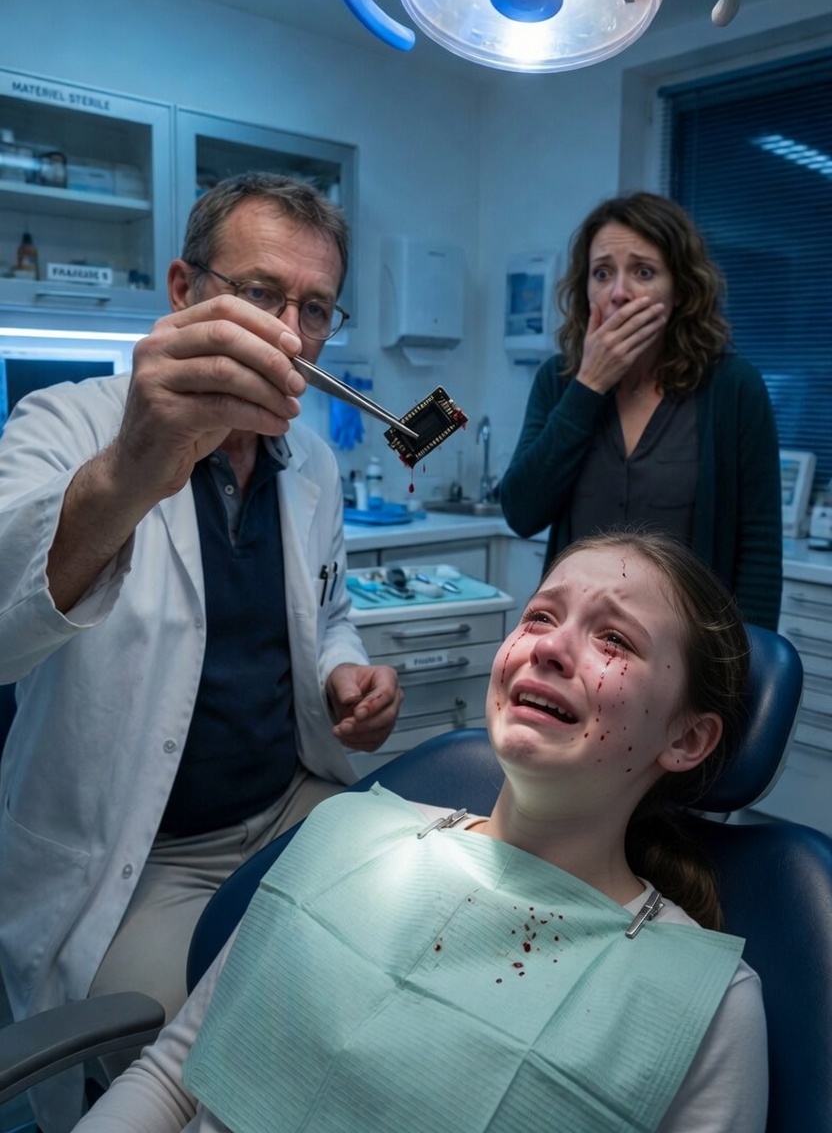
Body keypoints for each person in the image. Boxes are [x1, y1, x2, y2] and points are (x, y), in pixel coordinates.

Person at [73, 529, 768, 1133]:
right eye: (539, 616)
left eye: (613, 638)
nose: (550, 646)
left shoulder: (703, 1008)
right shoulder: (347, 834)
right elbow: (172, 1078)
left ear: (686, 738)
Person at [0, 173, 403, 1130]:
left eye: (313, 309)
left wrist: (347, 668)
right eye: (260, 295)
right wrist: (140, 461)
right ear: (183, 291)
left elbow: (329, 607)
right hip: (142, 861)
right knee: (241, 1066)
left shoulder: (312, 464)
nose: (289, 335)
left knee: (391, 989)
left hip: (291, 810)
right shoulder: (67, 424)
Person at [500, 191, 782, 631]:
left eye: (643, 272)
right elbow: (521, 511)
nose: (618, 293)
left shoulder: (732, 386)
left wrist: (745, 673)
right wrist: (589, 385)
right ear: (584, 288)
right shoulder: (559, 381)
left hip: (688, 652)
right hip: (573, 640)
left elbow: (760, 548)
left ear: (680, 290)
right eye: (602, 273)